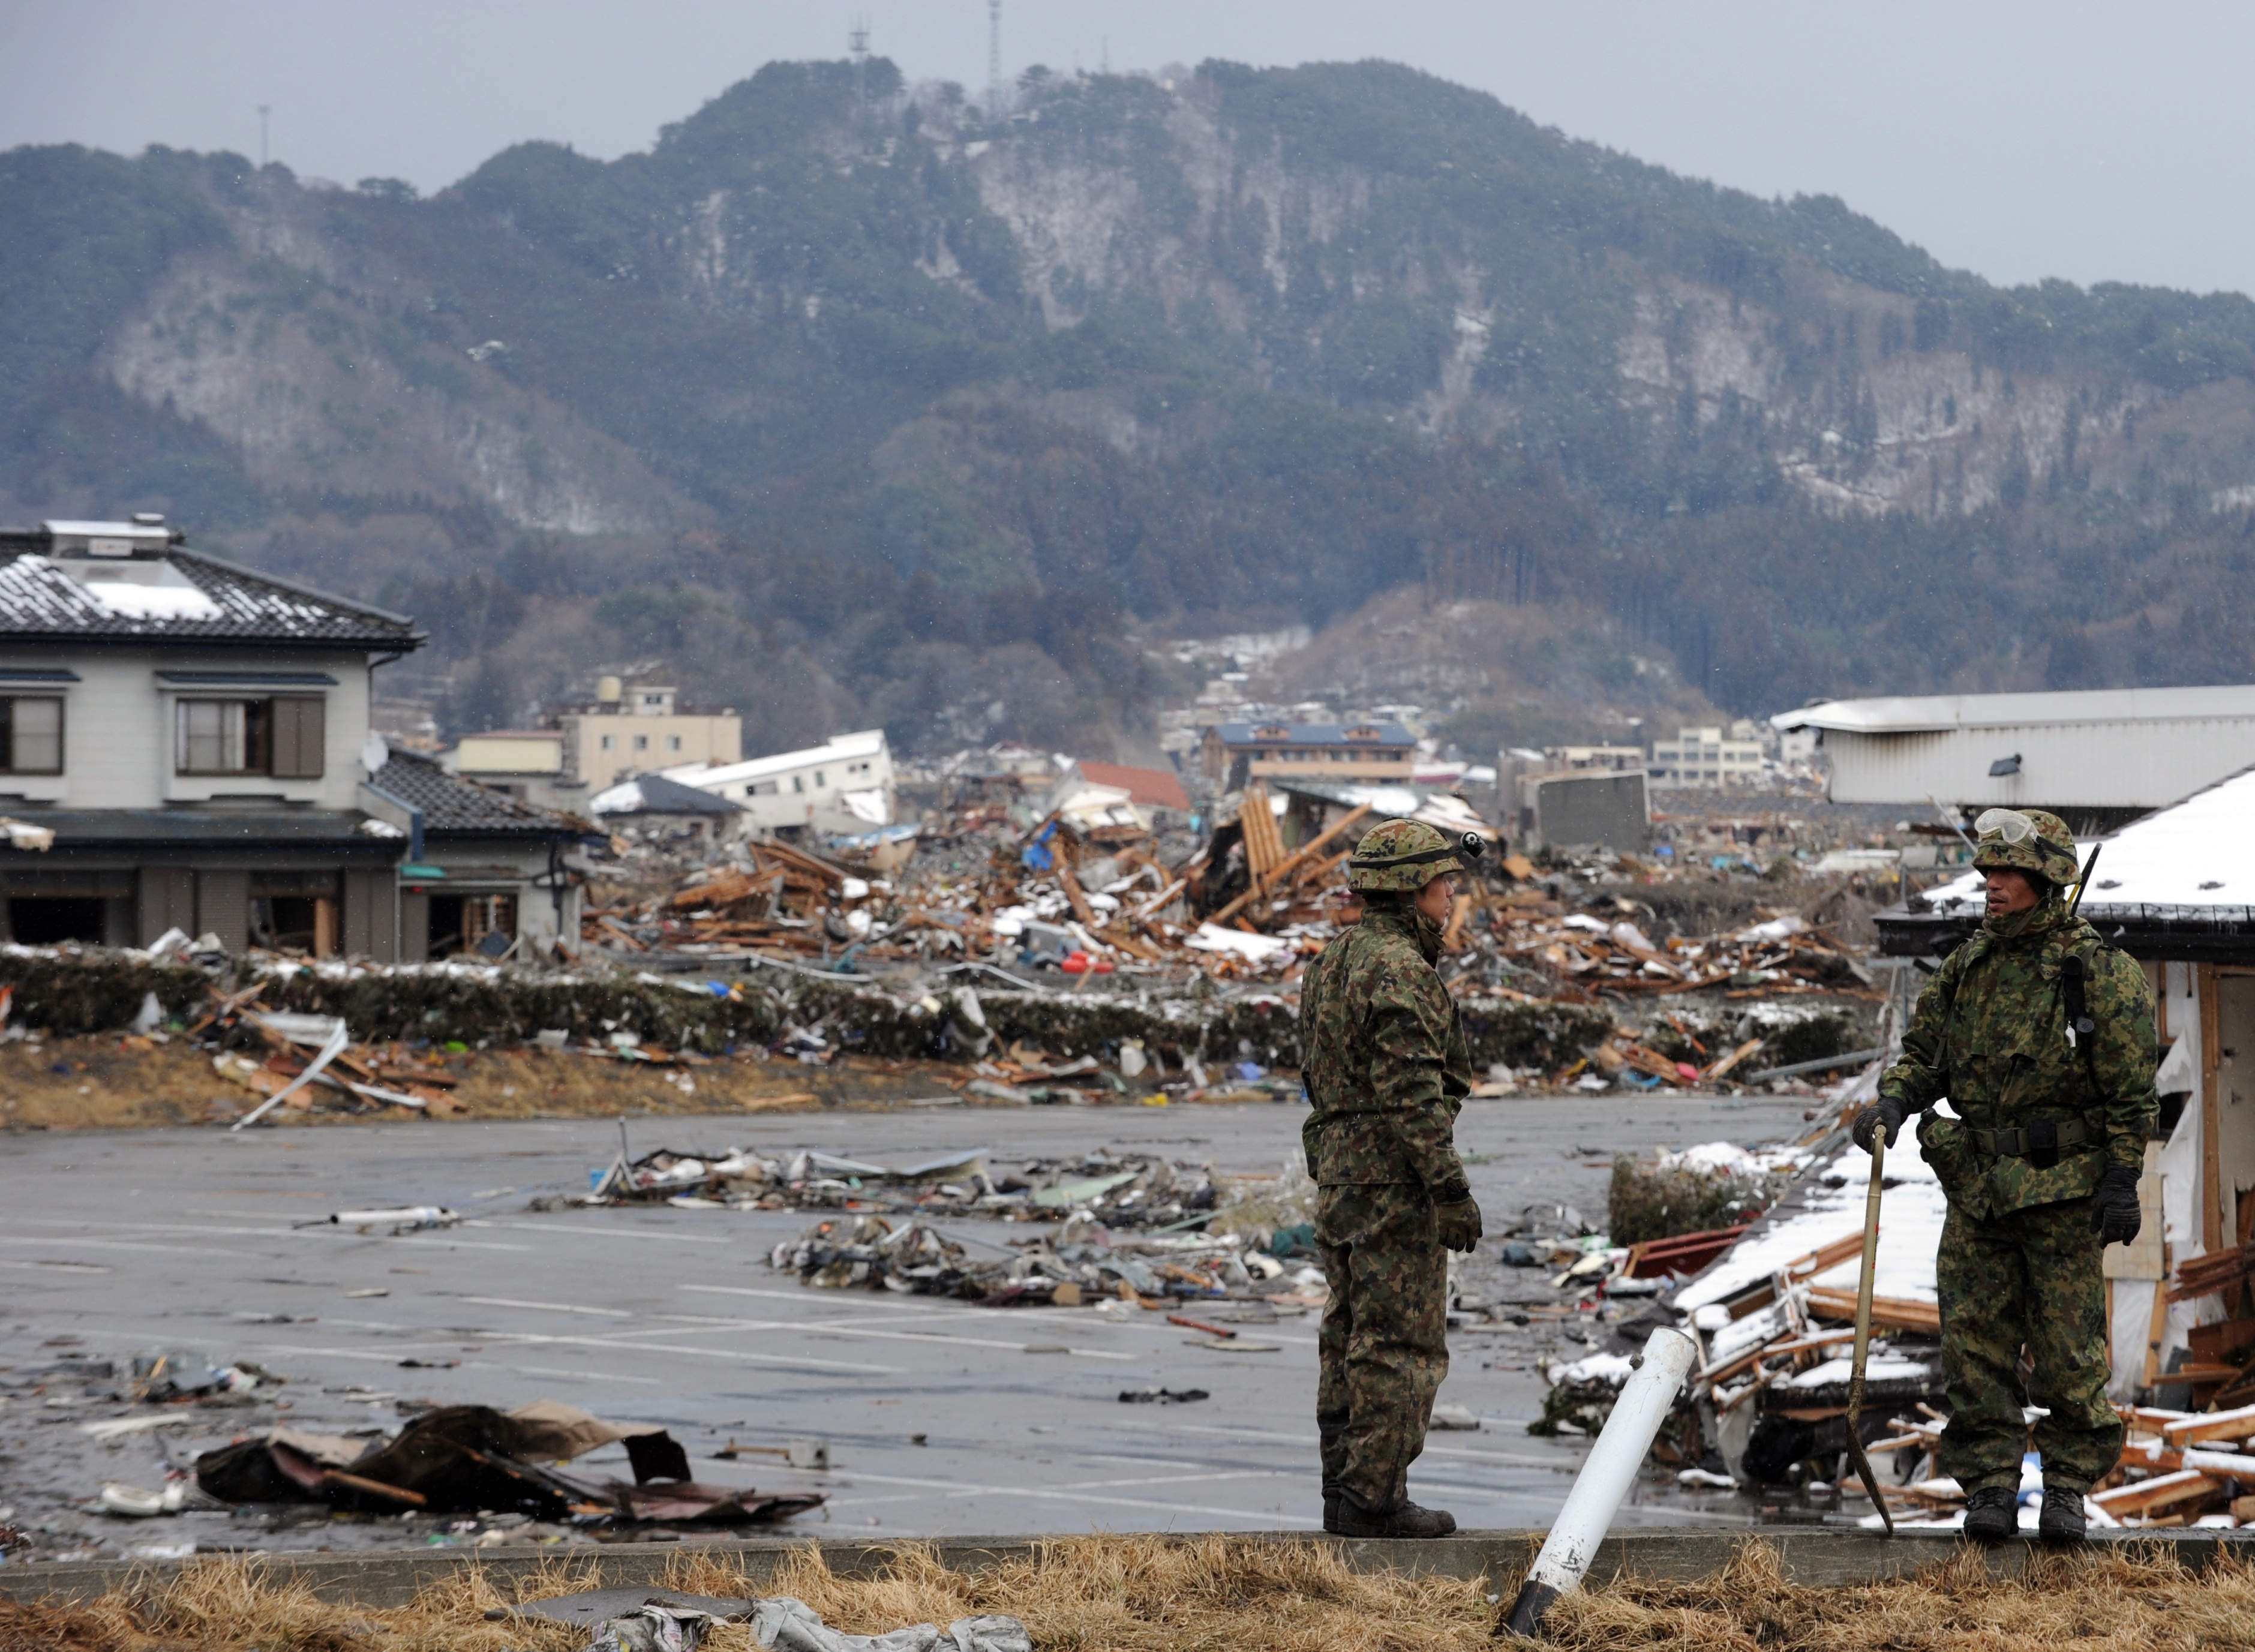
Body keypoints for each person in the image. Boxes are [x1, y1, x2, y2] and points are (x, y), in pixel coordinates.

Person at [1852, 807, 2154, 1543]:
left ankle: (2066, 1492)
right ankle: (1989, 1486)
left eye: (2008, 873)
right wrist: (1895, 1099)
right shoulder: (1967, 968)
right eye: (1988, 873)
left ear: (2048, 879)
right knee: (1974, 1347)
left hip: (2061, 1194)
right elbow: (1926, 1056)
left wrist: (2121, 1179)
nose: (1992, 885)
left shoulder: (2099, 974)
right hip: (1978, 1189)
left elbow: (2130, 1095)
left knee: (2068, 1354)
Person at [1298, 818, 1485, 1538]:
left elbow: (1318, 1072)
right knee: (1399, 1344)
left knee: (1347, 1335)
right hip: (1393, 1185)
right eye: (1444, 886)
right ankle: (1375, 1497)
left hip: (1342, 1179)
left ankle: (1344, 1493)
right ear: (1411, 893)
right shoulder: (1401, 972)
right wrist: (1450, 1191)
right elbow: (1411, 1096)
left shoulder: (1332, 961)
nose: (1449, 900)